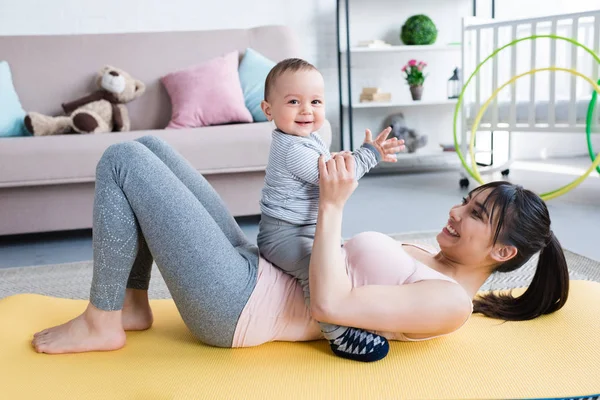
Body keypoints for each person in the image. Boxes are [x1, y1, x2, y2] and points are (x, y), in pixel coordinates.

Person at [31, 136, 569, 358]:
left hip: (240, 307)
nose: (455, 212)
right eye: (466, 201)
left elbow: (330, 306)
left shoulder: (449, 303)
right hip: (254, 268)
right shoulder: (428, 256)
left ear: (502, 253)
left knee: (123, 161)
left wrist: (334, 205)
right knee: (149, 147)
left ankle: (101, 321)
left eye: (475, 215)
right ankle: (129, 303)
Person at [256, 58, 403, 362]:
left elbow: (328, 159)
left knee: (339, 263)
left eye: (315, 101)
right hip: (284, 235)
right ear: (268, 109)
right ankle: (337, 333)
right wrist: (369, 155)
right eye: (294, 101)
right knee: (317, 272)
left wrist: (345, 155)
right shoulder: (292, 149)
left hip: (305, 228)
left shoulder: (306, 137)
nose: (306, 110)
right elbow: (334, 177)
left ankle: (349, 306)